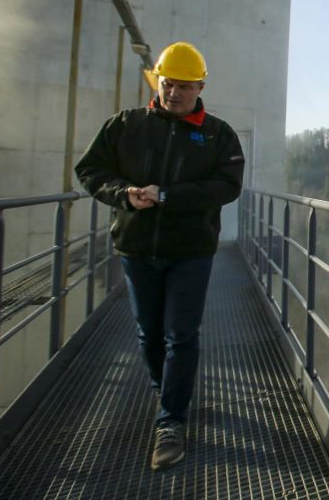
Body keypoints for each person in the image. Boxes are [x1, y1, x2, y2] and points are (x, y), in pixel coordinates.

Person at [75, 41, 244, 471]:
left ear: (201, 86)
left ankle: (170, 421)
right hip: (136, 248)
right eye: (169, 85)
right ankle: (166, 390)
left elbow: (227, 186)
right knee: (149, 335)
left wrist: (167, 195)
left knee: (180, 335)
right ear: (158, 83)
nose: (175, 94)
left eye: (185, 87)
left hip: (191, 252)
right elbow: (89, 170)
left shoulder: (217, 134)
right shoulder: (126, 125)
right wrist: (124, 195)